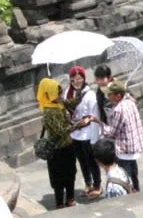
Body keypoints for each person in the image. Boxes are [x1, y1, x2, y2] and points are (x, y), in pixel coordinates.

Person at [36, 78, 78, 209]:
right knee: (59, 178)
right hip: (57, 150)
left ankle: (70, 198)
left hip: (68, 145)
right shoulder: (49, 112)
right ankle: (60, 202)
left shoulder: (59, 103)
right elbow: (60, 131)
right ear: (49, 94)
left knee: (71, 173)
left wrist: (78, 90)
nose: (60, 96)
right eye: (57, 93)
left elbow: (71, 102)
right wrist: (78, 125)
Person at [66, 66, 106, 198]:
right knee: (82, 161)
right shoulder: (68, 93)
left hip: (87, 133)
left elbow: (94, 115)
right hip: (74, 132)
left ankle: (97, 185)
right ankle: (88, 183)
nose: (76, 82)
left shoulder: (89, 95)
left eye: (79, 79)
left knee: (91, 161)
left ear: (84, 79)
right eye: (73, 79)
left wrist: (94, 138)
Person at [104, 79, 143, 191]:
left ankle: (129, 194)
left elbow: (112, 132)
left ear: (118, 95)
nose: (108, 97)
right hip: (133, 147)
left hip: (124, 150)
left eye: (110, 94)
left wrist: (101, 126)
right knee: (134, 175)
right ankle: (137, 192)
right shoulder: (130, 103)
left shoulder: (119, 110)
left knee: (126, 177)